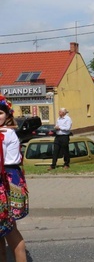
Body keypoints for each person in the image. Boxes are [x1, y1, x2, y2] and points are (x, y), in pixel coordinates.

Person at [0, 96, 28, 262]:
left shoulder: (8, 133)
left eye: (0, 113)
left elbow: (11, 161)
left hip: (7, 184)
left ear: (7, 115)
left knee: (10, 230)